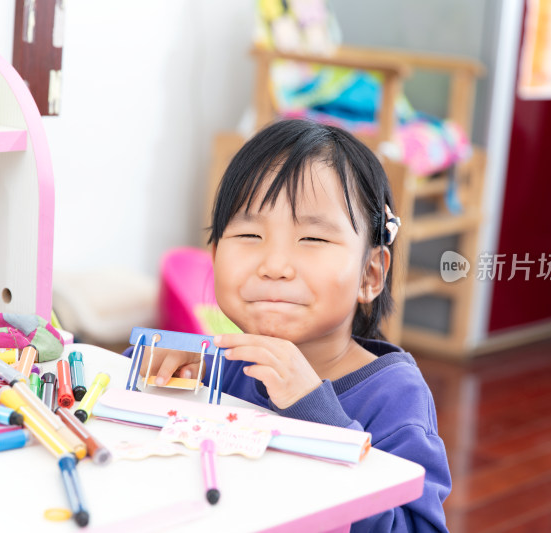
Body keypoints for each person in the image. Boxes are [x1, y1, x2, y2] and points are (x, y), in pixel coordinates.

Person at [142, 119, 451, 532]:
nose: (274, 266)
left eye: (314, 240)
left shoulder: (394, 397)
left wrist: (316, 415)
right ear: (214, 254)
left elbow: (417, 527)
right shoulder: (223, 361)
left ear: (370, 274)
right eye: (249, 235)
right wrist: (154, 368)